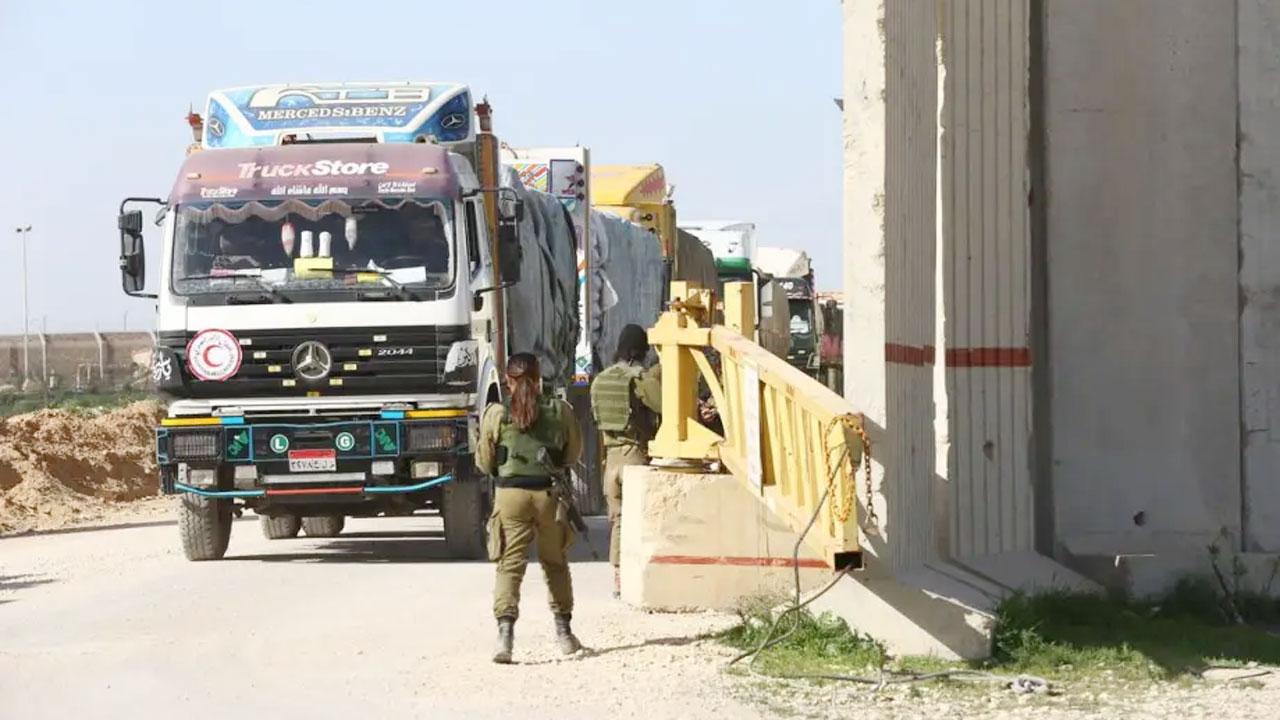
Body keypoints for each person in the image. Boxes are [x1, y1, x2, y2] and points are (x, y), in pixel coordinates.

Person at [475, 352, 584, 664]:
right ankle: (564, 634)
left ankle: (505, 637)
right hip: (548, 496)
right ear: (539, 380)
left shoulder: (496, 413)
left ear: (508, 382)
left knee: (509, 566)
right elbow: (572, 455)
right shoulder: (560, 410)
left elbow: (484, 462)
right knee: (555, 563)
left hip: (510, 496)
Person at [589, 324, 662, 598]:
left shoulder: (601, 380)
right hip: (635, 455)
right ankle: (636, 577)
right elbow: (664, 404)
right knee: (640, 520)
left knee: (618, 519)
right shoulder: (639, 378)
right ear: (641, 351)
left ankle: (618, 577)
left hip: (610, 459)